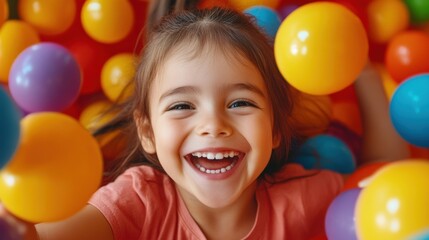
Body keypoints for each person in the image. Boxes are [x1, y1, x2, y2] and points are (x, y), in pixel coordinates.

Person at [1, 6, 409, 240]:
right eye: (182, 107)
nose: (213, 124)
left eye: (240, 102)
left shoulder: (300, 198)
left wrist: (361, 70)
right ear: (148, 131)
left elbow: (383, 179)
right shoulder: (139, 204)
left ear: (277, 128)